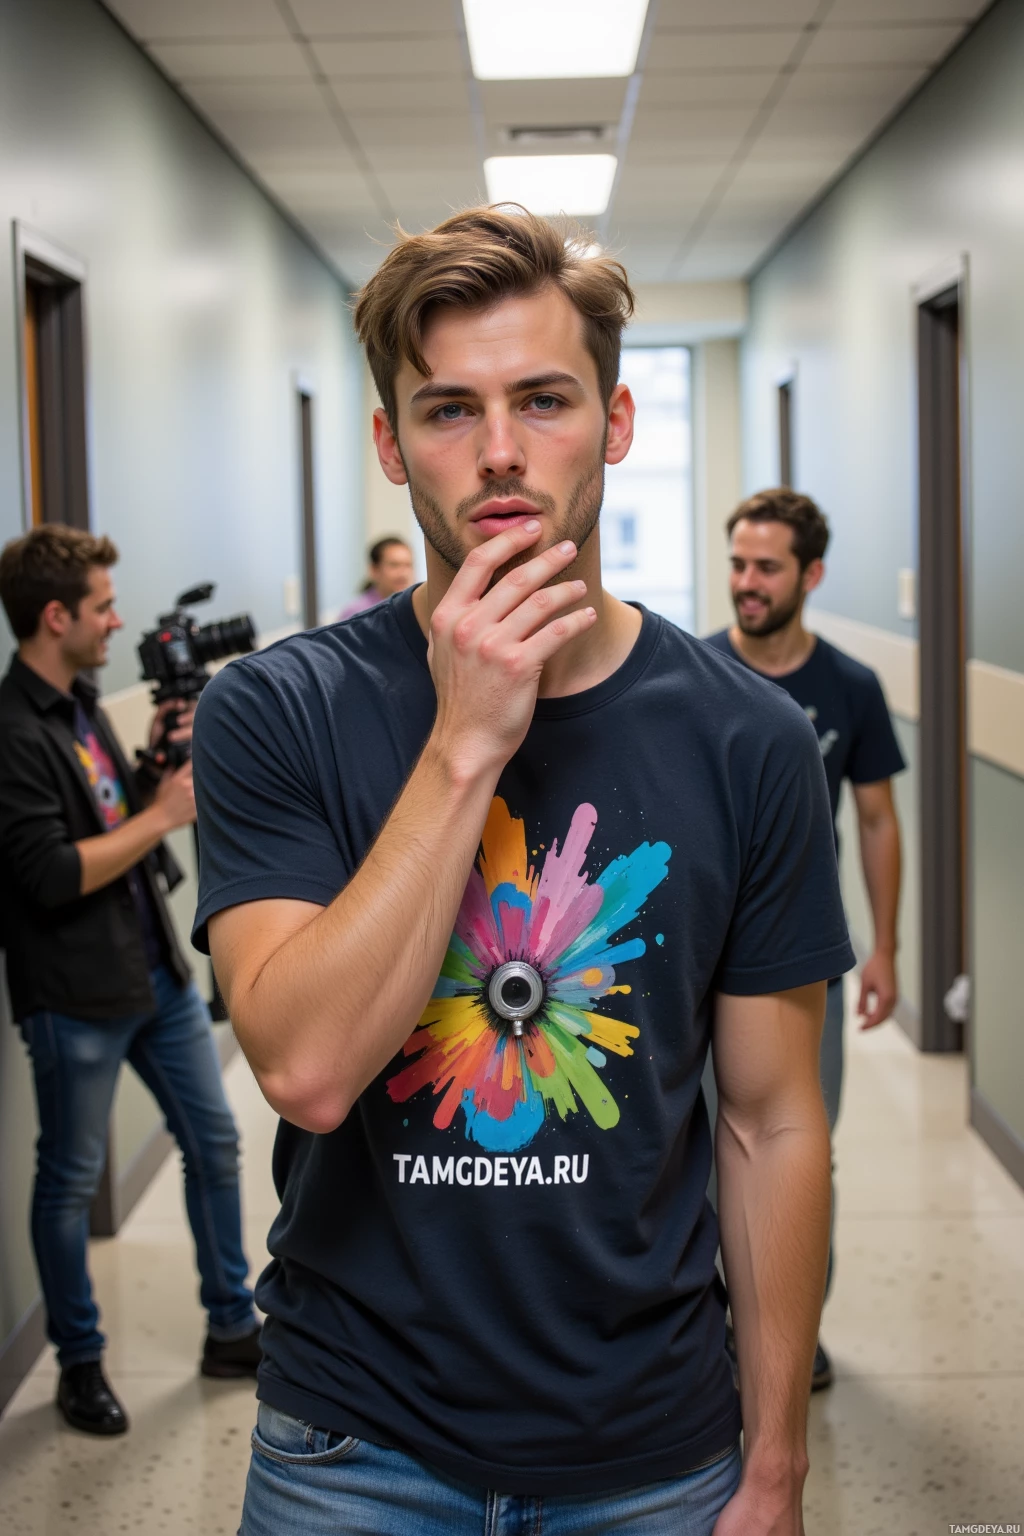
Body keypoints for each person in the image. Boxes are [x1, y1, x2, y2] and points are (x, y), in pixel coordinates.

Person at [192, 206, 854, 1536]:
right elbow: (308, 1070)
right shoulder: (275, 712)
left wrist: (775, 1467)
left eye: (544, 399)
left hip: (658, 1447)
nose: (499, 452)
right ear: (389, 442)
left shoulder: (752, 740)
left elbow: (773, 1124)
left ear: (615, 421)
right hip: (351, 1444)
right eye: (447, 410)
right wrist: (464, 746)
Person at [0, 526, 261, 1438]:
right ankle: (79, 1363)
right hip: (73, 994)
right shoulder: (13, 731)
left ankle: (232, 1325)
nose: (116, 622)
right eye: (102, 607)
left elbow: (107, 810)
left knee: (216, 1145)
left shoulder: (76, 705)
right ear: (56, 615)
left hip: (152, 971)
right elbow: (52, 873)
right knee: (68, 1181)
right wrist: (159, 815)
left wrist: (149, 767)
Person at [704, 487, 905, 1391]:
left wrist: (888, 952)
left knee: (798, 1143)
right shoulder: (695, 678)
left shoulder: (849, 689)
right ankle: (708, 1325)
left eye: (767, 568)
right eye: (739, 564)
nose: (746, 583)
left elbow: (875, 821)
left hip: (798, 961)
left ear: (810, 575)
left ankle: (792, 1327)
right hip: (699, 957)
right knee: (697, 1141)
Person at [338, 535, 415, 619]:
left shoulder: (415, 609)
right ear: (374, 570)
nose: (403, 573)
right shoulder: (356, 613)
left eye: (408, 565)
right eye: (394, 565)